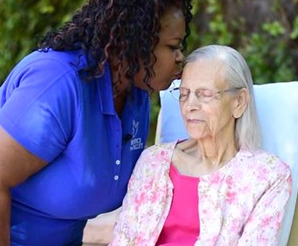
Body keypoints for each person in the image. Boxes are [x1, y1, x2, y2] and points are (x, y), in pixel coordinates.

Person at [0, 0, 193, 245]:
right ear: (134, 42)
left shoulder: (136, 94)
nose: (180, 57)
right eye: (172, 46)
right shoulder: (59, 83)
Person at [109, 45, 292, 246]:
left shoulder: (267, 176)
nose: (190, 105)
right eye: (184, 93)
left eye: (204, 94)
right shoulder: (153, 162)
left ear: (239, 101)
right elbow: (123, 239)